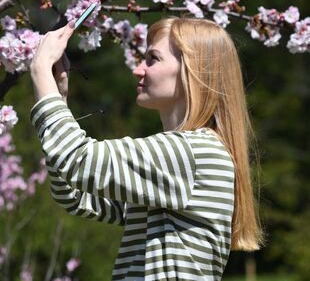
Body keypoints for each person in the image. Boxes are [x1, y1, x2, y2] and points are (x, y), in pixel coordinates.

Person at [29, 17, 262, 280]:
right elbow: (74, 194)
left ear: (192, 70)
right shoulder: (183, 158)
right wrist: (57, 97)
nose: (138, 70)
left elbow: (78, 162)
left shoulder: (194, 153)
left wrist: (40, 71)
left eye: (153, 59)